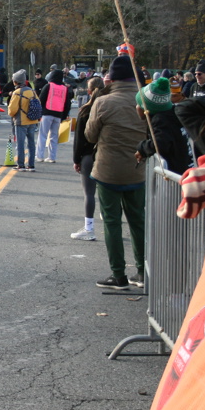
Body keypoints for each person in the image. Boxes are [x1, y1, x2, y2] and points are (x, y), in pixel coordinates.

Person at [85, 55, 148, 290]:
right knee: (138, 221)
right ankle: (142, 271)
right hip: (137, 170)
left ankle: (118, 274)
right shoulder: (145, 101)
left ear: (113, 78)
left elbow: (90, 136)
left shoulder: (103, 102)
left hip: (108, 171)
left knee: (112, 223)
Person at [71, 76, 105, 240]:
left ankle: (89, 228)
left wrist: (76, 159)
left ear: (89, 91)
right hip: (106, 154)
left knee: (89, 193)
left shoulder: (85, 110)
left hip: (88, 155)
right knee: (107, 192)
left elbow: (79, 139)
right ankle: (110, 223)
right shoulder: (107, 108)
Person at [134, 77, 191, 174]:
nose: (136, 107)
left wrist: (142, 147)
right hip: (184, 168)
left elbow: (160, 144)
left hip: (175, 174)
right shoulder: (172, 114)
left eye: (139, 103)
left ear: (147, 108)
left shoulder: (160, 120)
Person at [37, 69, 73, 164]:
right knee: (54, 136)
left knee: (43, 135)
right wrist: (64, 116)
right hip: (58, 115)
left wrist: (39, 113)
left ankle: (40, 156)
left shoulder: (49, 86)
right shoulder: (64, 88)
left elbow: (41, 99)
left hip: (47, 113)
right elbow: (67, 104)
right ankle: (52, 157)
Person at [7, 70, 40, 173]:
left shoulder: (17, 92)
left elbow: (12, 110)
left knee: (20, 144)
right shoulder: (32, 91)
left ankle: (21, 165)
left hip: (21, 121)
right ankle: (31, 165)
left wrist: (12, 115)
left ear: (15, 81)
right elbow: (38, 103)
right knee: (31, 143)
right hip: (32, 120)